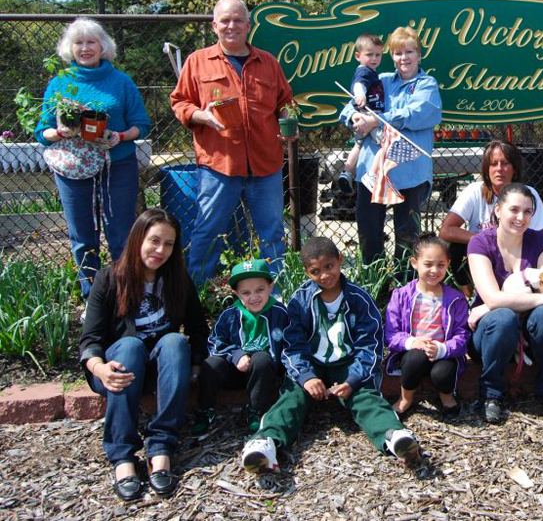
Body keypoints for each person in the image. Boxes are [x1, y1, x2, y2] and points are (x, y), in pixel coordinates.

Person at [240, 237, 423, 473]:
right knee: (291, 397)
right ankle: (266, 443)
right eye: (316, 271)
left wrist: (353, 379)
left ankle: (394, 436)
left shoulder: (359, 299)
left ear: (340, 260)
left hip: (348, 364)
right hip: (312, 363)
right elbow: (292, 344)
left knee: (365, 398)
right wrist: (305, 376)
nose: (325, 275)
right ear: (306, 272)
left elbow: (370, 345)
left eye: (329, 266)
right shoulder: (300, 300)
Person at [78, 208, 209, 500]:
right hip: (116, 369)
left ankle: (161, 447)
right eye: (154, 240)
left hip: (161, 370)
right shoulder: (109, 279)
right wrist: (99, 369)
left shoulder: (178, 281)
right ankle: (122, 456)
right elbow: (90, 338)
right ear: (138, 238)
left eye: (169, 244)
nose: (160, 250)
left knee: (175, 341)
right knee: (130, 345)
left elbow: (199, 330)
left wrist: (196, 367)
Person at [169, 0, 294, 287]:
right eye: (225, 20)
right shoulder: (197, 62)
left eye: (238, 20)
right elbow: (179, 102)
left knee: (272, 232)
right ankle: (196, 292)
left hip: (265, 165)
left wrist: (288, 121)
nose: (231, 26)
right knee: (207, 230)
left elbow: (285, 101)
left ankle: (276, 293)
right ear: (214, 25)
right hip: (219, 165)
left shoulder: (267, 62)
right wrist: (201, 115)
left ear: (248, 25)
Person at [36, 17, 150, 299]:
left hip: (117, 164)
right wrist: (60, 132)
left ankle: (126, 295)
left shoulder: (121, 82)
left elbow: (141, 125)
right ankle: (93, 298)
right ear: (70, 48)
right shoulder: (59, 83)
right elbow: (42, 131)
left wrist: (119, 136)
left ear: (103, 47)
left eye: (91, 42)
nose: (85, 48)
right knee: (82, 236)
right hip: (73, 168)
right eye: (79, 43)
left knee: (121, 233)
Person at [466, 183, 543, 422]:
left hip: (528, 326)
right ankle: (491, 394)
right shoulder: (480, 243)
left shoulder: (541, 242)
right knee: (504, 316)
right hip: (491, 330)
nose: (520, 217)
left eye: (527, 212)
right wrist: (492, 304)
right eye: (514, 210)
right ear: (498, 210)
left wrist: (495, 302)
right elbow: (493, 297)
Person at [340, 26, 442, 265]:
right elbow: (348, 108)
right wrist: (355, 118)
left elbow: (419, 113)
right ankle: (374, 284)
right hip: (371, 173)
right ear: (392, 57)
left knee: (407, 234)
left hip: (409, 173)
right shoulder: (380, 81)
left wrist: (376, 119)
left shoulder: (427, 84)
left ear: (419, 55)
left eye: (409, 52)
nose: (403, 58)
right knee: (369, 231)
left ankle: (403, 284)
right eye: (397, 53)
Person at [192, 259, 290, 436]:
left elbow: (289, 344)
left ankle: (255, 410)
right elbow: (215, 343)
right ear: (236, 293)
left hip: (264, 372)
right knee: (211, 364)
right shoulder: (229, 315)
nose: (254, 297)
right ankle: (205, 410)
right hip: (235, 371)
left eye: (260, 290)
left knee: (261, 359)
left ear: (270, 286)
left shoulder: (280, 313)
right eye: (246, 292)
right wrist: (237, 355)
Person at [439, 140, 543, 288]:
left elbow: (540, 239)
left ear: (514, 169)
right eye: (493, 164)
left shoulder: (528, 194)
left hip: (518, 255)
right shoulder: (474, 191)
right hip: (483, 254)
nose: (499, 169)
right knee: (454, 248)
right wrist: (486, 242)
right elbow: (446, 230)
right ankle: (464, 292)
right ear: (486, 169)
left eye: (505, 163)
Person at [384, 234, 471, 417]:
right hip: (413, 351)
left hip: (444, 352)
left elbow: (462, 334)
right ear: (415, 263)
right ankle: (406, 398)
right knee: (415, 359)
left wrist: (442, 348)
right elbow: (391, 333)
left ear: (448, 264)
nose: (434, 270)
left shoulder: (456, 299)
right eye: (428, 264)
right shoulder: (401, 296)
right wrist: (412, 342)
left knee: (443, 373)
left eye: (440, 265)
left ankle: (446, 396)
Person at [337, 34, 386, 194]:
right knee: (386, 143)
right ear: (358, 56)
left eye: (378, 55)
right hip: (367, 115)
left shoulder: (372, 71)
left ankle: (347, 172)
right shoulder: (365, 72)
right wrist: (361, 95)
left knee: (358, 145)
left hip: (365, 115)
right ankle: (372, 175)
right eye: (369, 54)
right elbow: (359, 85)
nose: (374, 58)